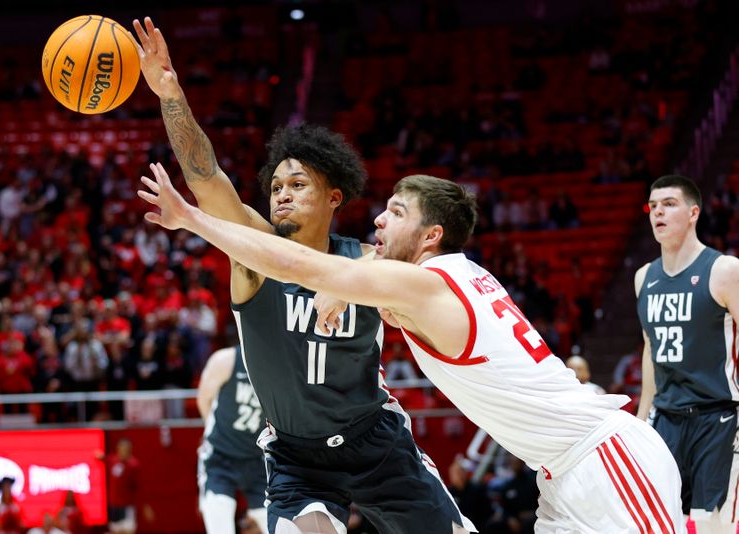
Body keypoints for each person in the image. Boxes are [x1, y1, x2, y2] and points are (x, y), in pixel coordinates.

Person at [138, 166, 686, 533]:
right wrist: (362, 270)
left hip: (603, 456)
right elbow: (369, 265)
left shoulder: (428, 286)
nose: (378, 218)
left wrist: (192, 220)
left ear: (431, 236)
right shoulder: (447, 274)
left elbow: (294, 264)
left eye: (397, 213)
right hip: (560, 472)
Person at [132, 17, 474, 534]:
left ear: (334, 197)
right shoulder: (255, 253)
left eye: (298, 183)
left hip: (375, 443)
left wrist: (353, 275)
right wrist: (170, 92)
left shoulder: (366, 258)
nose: (282, 193)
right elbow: (205, 177)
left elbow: (417, 269)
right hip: (297, 458)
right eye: (275, 186)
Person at [635, 174, 739, 534]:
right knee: (664, 523)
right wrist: (641, 416)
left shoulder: (724, 270)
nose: (657, 212)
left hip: (718, 417)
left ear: (693, 212)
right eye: (653, 206)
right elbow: (651, 348)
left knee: (713, 525)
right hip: (666, 419)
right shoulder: (643, 277)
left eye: (669, 204)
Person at [196, 346, 268, 534]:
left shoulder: (282, 366)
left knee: (278, 526)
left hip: (258, 459)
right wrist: (213, 435)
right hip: (220, 456)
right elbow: (204, 399)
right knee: (219, 527)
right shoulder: (225, 360)